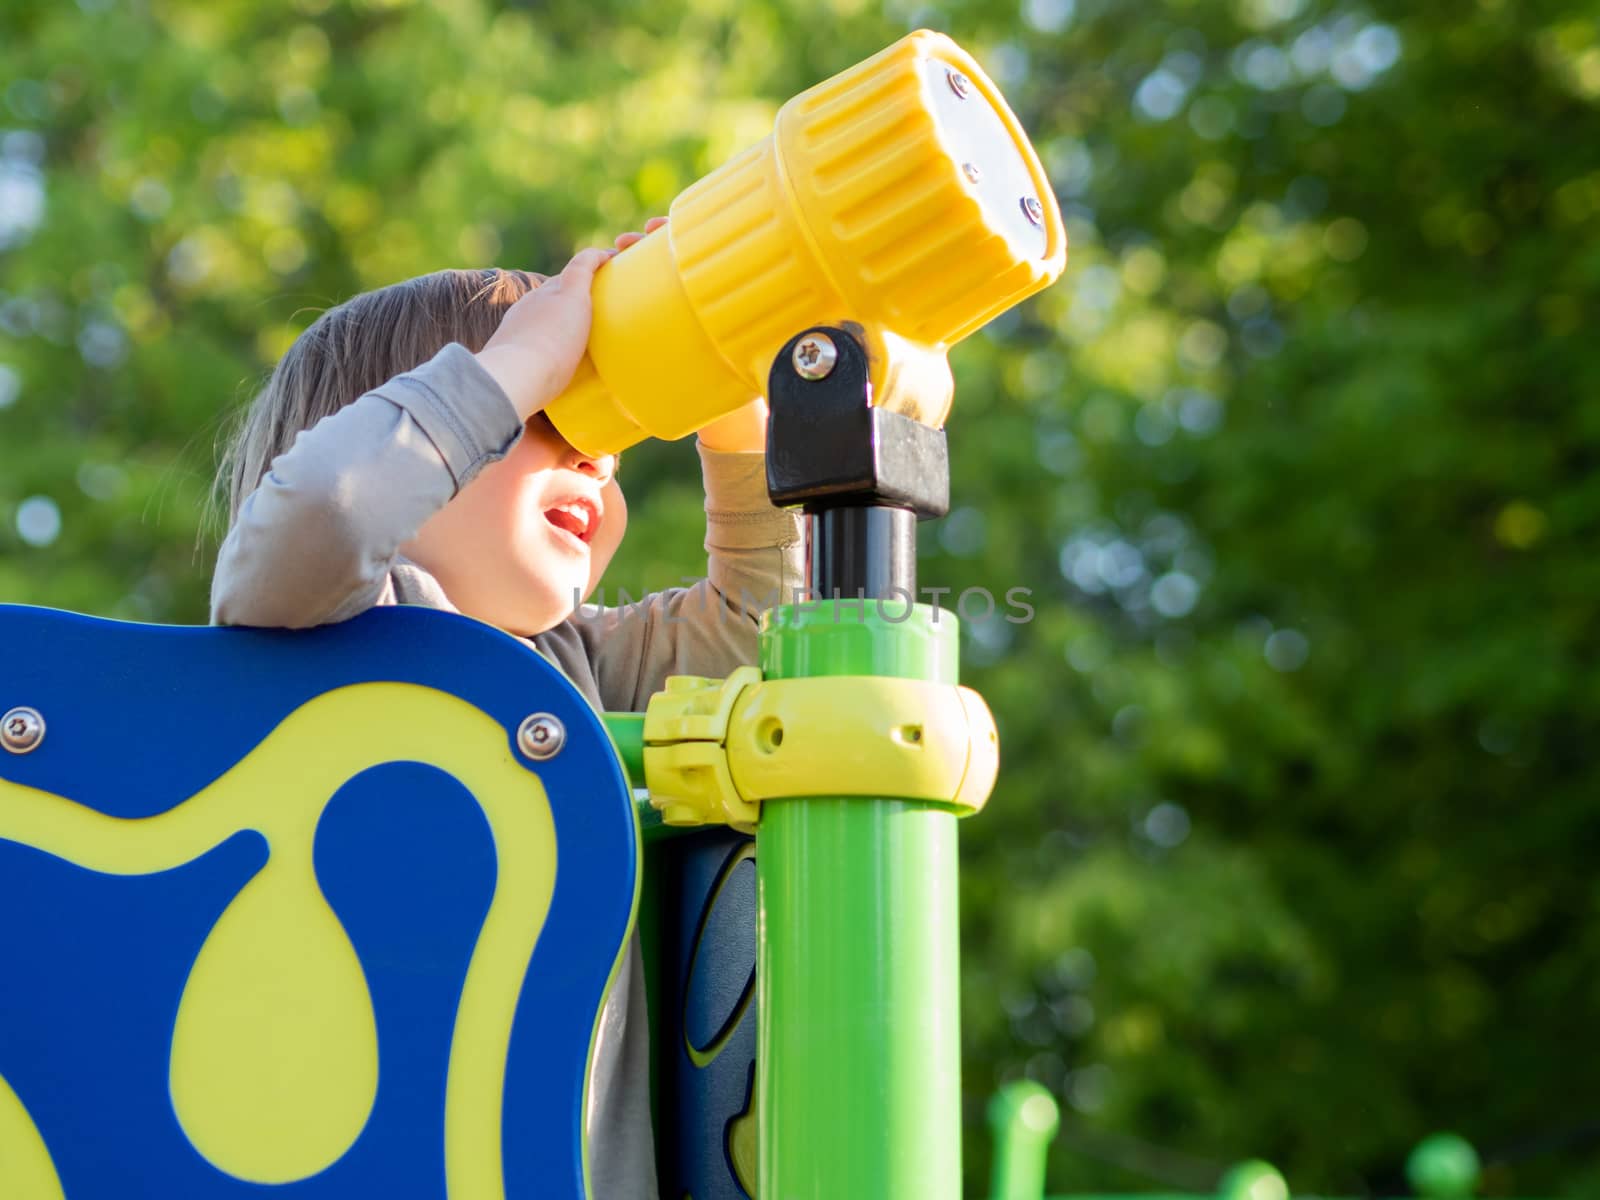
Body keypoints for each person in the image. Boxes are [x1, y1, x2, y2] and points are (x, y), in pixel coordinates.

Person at [210, 219, 804, 1199]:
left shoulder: (576, 670)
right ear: (418, 438)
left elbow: (766, 638)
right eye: (545, 415)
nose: (597, 461)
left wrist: (731, 408)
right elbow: (324, 511)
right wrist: (522, 358)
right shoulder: (316, 633)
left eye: (603, 434)